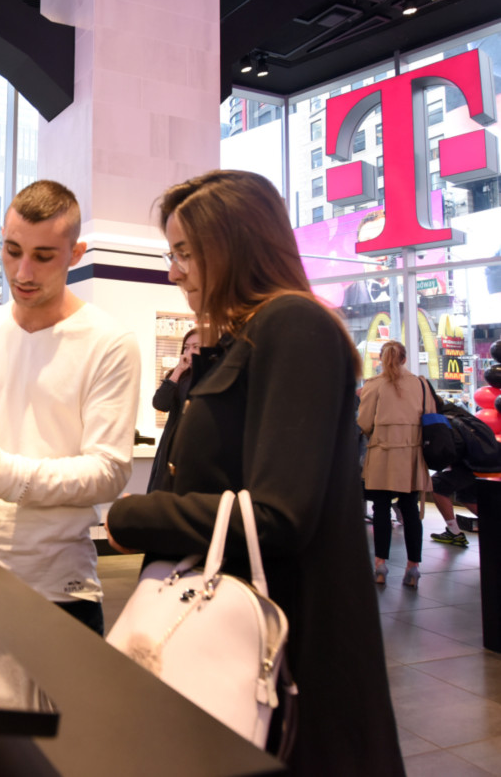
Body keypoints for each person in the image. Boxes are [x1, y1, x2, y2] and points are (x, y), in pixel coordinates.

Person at [104, 171, 403, 774]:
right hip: (240, 633)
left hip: (290, 649)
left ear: (235, 244)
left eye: (186, 253)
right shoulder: (248, 336)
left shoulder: (294, 325)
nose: (175, 271)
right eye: (173, 254)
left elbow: (277, 516)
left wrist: (132, 515)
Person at [0, 180, 141, 636]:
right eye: (12, 250)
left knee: (68, 709)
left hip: (57, 587)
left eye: (43, 256)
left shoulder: (110, 343)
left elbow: (108, 471)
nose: (22, 272)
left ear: (75, 254)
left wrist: (0, 468)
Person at [359, 340, 432, 588]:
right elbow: (430, 418)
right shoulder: (421, 384)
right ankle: (413, 568)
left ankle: (381, 565)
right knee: (410, 509)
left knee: (380, 509)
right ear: (404, 359)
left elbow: (365, 423)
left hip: (382, 455)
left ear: (382, 359)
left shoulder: (373, 386)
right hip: (411, 456)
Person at [148, 327, 199, 491]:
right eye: (186, 347)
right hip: (171, 447)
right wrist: (178, 370)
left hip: (194, 451)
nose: (189, 352)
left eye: (196, 347)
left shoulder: (214, 378)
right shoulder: (178, 376)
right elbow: (160, 403)